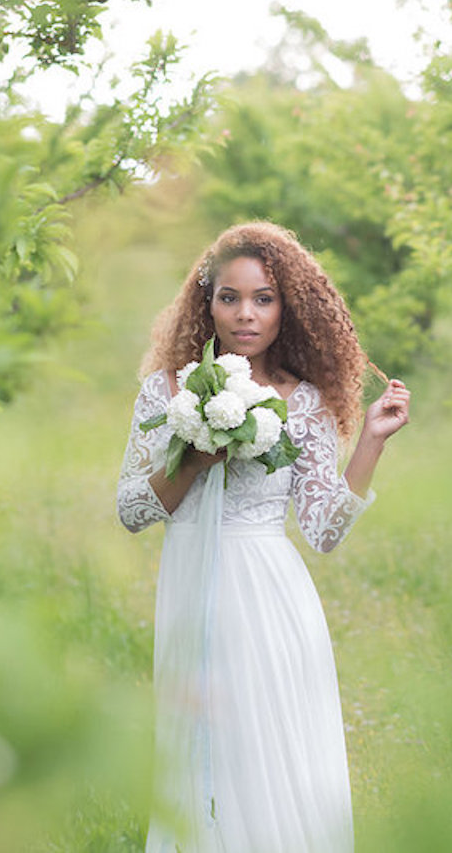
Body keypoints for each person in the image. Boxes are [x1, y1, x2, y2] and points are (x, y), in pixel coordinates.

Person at [116, 222, 411, 852]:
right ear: (207, 301)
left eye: (264, 298)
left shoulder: (301, 403)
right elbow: (133, 510)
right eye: (230, 297)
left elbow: (323, 530)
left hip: (270, 596)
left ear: (288, 308)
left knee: (266, 750)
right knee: (198, 751)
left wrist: (371, 442)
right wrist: (192, 458)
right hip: (191, 587)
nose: (245, 314)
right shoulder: (166, 392)